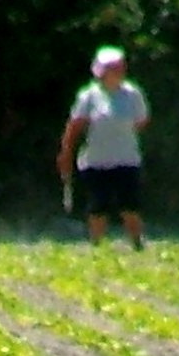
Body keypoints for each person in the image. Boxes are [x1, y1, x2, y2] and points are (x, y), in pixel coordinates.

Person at [58, 46, 150, 250]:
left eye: (119, 67)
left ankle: (137, 243)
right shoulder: (88, 96)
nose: (117, 72)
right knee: (98, 206)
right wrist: (66, 152)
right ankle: (96, 244)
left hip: (127, 159)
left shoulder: (133, 94)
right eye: (111, 68)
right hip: (96, 160)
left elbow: (141, 122)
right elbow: (74, 126)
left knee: (130, 205)